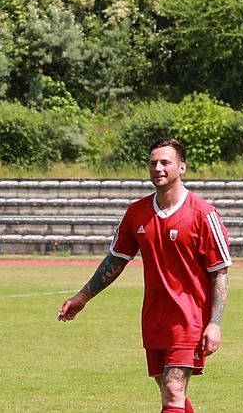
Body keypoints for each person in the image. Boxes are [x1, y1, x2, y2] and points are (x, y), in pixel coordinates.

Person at [58, 138, 231, 413]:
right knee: (169, 389)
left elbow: (219, 272)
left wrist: (215, 323)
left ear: (182, 167)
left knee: (173, 390)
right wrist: (82, 297)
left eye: (165, 162)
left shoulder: (203, 214)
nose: (158, 168)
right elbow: (115, 260)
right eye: (153, 163)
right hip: (154, 318)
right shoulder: (136, 213)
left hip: (189, 319)